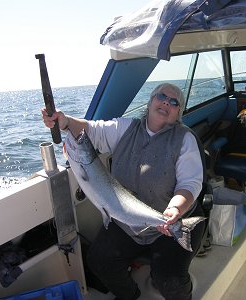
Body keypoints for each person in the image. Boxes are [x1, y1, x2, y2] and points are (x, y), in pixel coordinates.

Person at [41, 83, 205, 300]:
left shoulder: (185, 139)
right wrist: (65, 122)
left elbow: (190, 183)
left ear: (178, 113)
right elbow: (90, 130)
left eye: (174, 102)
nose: (166, 102)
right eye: (161, 96)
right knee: (98, 260)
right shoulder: (125, 128)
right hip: (126, 218)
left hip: (169, 221)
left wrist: (175, 209)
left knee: (169, 279)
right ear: (150, 101)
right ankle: (130, 295)